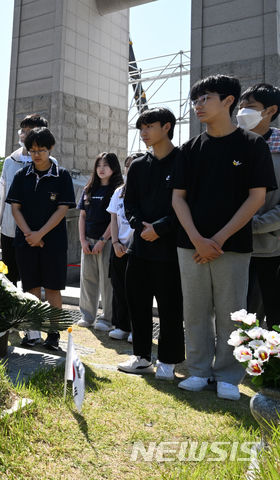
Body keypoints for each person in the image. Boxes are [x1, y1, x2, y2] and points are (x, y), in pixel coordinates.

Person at [172, 75, 276, 400]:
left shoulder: (252, 145)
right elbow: (178, 199)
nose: (198, 105)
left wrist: (216, 238)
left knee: (233, 311)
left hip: (233, 246)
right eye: (196, 100)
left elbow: (256, 198)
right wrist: (198, 240)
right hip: (190, 246)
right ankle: (198, 370)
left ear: (229, 101)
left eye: (206, 98)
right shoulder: (189, 149)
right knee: (195, 309)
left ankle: (229, 375)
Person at [118, 108, 185, 380]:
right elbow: (129, 202)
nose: (144, 133)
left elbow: (186, 203)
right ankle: (142, 357)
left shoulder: (183, 160)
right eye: (141, 128)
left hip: (170, 249)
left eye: (149, 127)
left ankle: (168, 361)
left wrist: (160, 228)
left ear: (167, 126)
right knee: (138, 303)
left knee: (170, 307)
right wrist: (139, 226)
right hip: (140, 247)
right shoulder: (137, 165)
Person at [6, 127, 75, 350]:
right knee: (31, 287)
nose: (37, 154)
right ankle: (32, 332)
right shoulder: (20, 176)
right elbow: (15, 209)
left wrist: (40, 234)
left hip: (53, 242)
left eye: (42, 150)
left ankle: (53, 334)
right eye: (33, 150)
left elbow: (62, 209)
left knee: (53, 288)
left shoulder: (62, 175)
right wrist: (30, 235)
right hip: (25, 241)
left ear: (50, 149)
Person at [237, 83, 280, 330]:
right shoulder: (235, 147)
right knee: (242, 319)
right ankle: (241, 367)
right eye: (241, 108)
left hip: (273, 248)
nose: (242, 113)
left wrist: (253, 225)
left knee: (275, 320)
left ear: (271, 110)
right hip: (236, 248)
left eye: (250, 108)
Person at [0, 114, 51, 285]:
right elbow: (2, 194)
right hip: (10, 230)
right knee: (9, 278)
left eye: (30, 131)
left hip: (37, 232)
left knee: (34, 281)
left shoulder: (52, 163)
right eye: (23, 131)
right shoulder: (10, 161)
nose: (24, 135)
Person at [76, 152, 123, 331]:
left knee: (107, 281)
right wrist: (82, 240)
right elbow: (82, 216)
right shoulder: (89, 189)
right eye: (98, 165)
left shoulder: (118, 190)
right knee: (87, 279)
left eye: (106, 165)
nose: (101, 169)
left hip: (108, 241)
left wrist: (103, 240)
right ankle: (87, 315)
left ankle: (108, 318)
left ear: (114, 168)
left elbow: (115, 218)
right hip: (88, 240)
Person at [106, 153, 139, 342]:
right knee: (119, 289)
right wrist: (116, 242)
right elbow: (113, 218)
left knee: (137, 291)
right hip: (118, 246)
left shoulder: (146, 189)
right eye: (128, 165)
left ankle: (137, 328)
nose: (130, 168)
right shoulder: (119, 191)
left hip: (137, 248)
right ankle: (121, 326)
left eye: (134, 165)